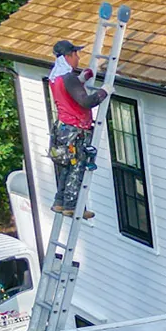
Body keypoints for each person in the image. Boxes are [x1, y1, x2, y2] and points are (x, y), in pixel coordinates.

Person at [47, 37, 108, 216]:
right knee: (76, 167)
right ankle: (72, 207)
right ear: (68, 56)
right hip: (75, 130)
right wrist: (104, 91)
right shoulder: (68, 78)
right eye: (76, 54)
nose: (78, 58)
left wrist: (81, 79)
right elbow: (86, 101)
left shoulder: (55, 78)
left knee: (65, 166)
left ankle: (59, 202)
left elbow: (67, 93)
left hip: (63, 129)